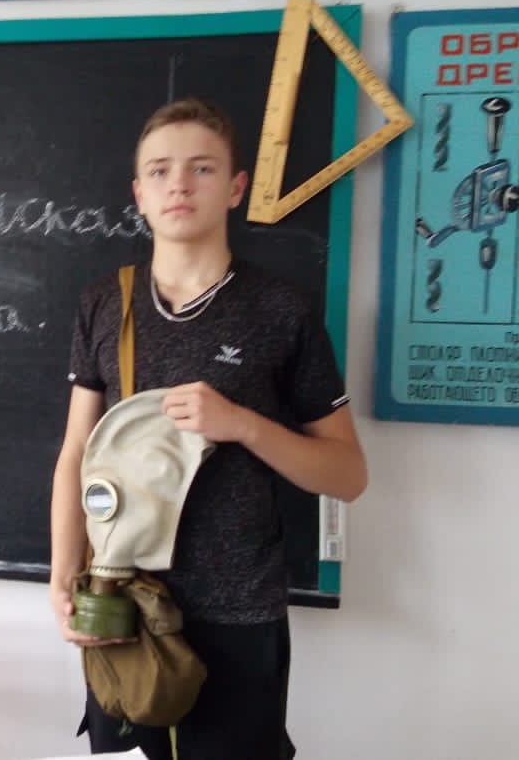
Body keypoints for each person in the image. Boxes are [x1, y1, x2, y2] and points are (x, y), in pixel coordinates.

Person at [49, 97, 368, 760]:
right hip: (123, 599)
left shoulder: (280, 310)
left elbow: (347, 474)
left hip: (236, 609)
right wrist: (63, 577)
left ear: (236, 187)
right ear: (139, 192)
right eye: (160, 171)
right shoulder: (105, 302)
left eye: (202, 168)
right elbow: (78, 449)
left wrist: (243, 424)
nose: (180, 185)